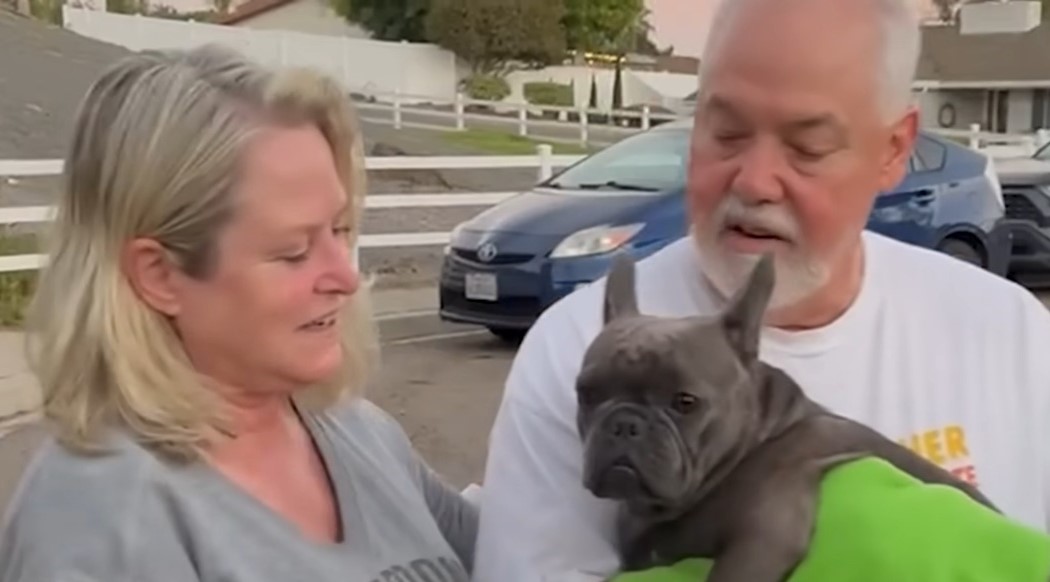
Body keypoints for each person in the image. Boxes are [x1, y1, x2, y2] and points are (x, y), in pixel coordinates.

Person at [472, 0, 1050, 579]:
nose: (754, 181)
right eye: (725, 133)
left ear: (893, 150)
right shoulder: (571, 346)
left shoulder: (1010, 333)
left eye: (807, 148)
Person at [0, 45, 477, 581]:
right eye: (293, 252)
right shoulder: (99, 522)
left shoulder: (360, 433)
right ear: (159, 275)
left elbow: (523, 551)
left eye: (340, 231)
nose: (344, 277)